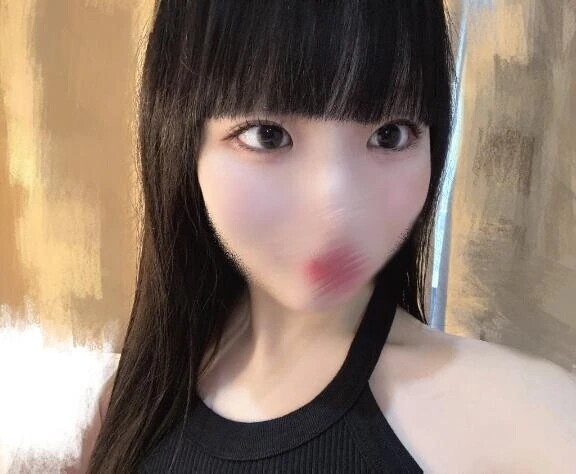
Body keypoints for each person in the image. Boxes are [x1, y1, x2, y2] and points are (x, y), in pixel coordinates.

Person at [80, 0, 576, 472]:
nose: (336, 211)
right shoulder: (133, 396)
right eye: (267, 135)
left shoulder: (523, 418)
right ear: (181, 140)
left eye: (390, 134)